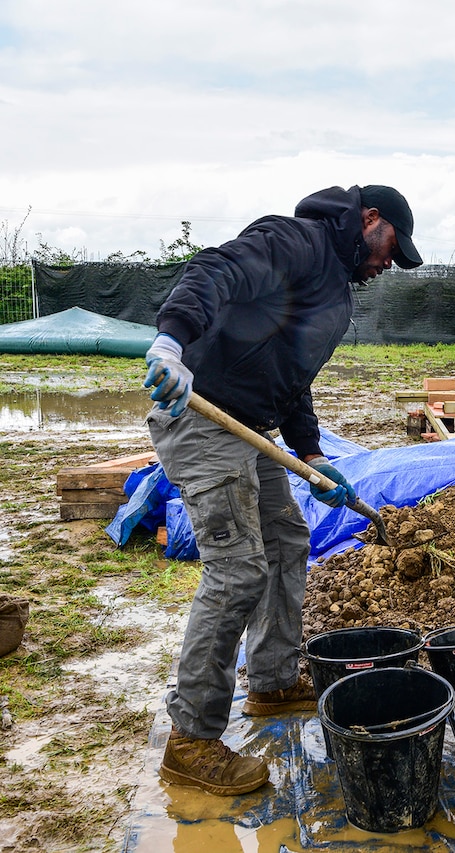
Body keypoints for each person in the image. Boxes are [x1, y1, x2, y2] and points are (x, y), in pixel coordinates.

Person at [142, 184, 422, 796]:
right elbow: (215, 269)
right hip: (201, 415)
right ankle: (190, 739)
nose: (386, 264)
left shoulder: (334, 288)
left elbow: (294, 377)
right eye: (390, 249)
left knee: (288, 538)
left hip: (250, 426)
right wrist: (172, 340)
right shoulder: (298, 241)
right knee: (237, 570)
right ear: (369, 219)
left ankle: (270, 681)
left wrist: (313, 453)